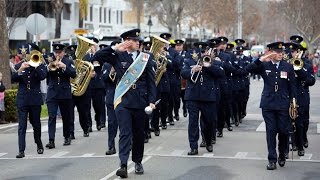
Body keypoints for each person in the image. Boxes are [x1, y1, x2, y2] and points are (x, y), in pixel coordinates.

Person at [93, 28, 156, 178]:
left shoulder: (146, 57)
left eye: (138, 40)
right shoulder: (117, 55)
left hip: (141, 101)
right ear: (127, 41)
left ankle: (138, 161)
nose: (138, 43)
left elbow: (151, 81)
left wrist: (152, 101)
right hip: (123, 100)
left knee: (139, 133)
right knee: (125, 132)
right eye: (134, 40)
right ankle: (123, 164)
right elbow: (97, 56)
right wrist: (115, 48)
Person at [246, 42, 297, 170]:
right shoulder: (265, 65)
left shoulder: (288, 66)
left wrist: (294, 103)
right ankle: (272, 159)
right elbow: (248, 69)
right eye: (278, 52)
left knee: (284, 131)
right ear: (272, 53)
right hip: (268, 104)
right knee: (271, 131)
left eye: (282, 52)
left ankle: (282, 154)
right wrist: (261, 58)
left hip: (283, 104)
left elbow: (292, 86)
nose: (280, 54)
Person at [181, 41, 225, 155]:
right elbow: (183, 72)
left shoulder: (214, 61)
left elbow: (220, 73)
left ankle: (208, 141)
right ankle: (193, 146)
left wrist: (208, 66)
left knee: (208, 122)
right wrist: (192, 70)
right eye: (200, 51)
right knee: (193, 122)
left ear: (208, 51)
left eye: (205, 51)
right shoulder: (189, 61)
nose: (202, 53)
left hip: (208, 96)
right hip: (192, 96)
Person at [11, 45, 47, 158]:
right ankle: (21, 150)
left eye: (28, 53)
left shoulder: (40, 66)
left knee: (36, 123)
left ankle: (39, 144)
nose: (26, 55)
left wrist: (35, 65)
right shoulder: (19, 65)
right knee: (22, 126)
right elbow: (13, 79)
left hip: (35, 100)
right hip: (22, 99)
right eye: (24, 53)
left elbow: (43, 76)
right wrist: (21, 69)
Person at [46, 43, 76, 149]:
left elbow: (73, 74)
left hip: (64, 93)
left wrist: (64, 67)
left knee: (66, 117)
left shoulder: (68, 61)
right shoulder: (50, 61)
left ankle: (67, 137)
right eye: (56, 52)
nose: (57, 54)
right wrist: (49, 67)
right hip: (52, 93)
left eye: (59, 52)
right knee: (52, 116)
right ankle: (51, 140)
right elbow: (45, 75)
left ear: (63, 52)